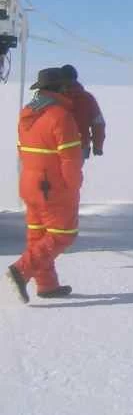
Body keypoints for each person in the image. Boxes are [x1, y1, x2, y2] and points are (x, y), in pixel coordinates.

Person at [6, 67, 84, 303]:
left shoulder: (27, 113)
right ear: (60, 88)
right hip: (53, 187)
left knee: (38, 235)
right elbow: (70, 159)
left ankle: (47, 285)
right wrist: (73, 187)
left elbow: (21, 150)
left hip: (29, 183)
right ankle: (20, 270)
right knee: (63, 234)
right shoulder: (61, 116)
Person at [60, 64, 106, 160]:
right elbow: (98, 124)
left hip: (58, 146)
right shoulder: (88, 98)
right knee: (75, 169)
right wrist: (98, 145)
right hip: (81, 146)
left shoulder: (55, 98)